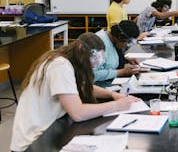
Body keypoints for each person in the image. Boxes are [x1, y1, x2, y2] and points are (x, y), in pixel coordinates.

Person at [10, 32, 140, 151]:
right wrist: (116, 105)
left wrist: (112, 94)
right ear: (80, 50)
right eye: (93, 60)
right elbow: (77, 113)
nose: (93, 65)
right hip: (33, 142)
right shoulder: (60, 66)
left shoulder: (65, 60)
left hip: (49, 130)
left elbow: (82, 86)